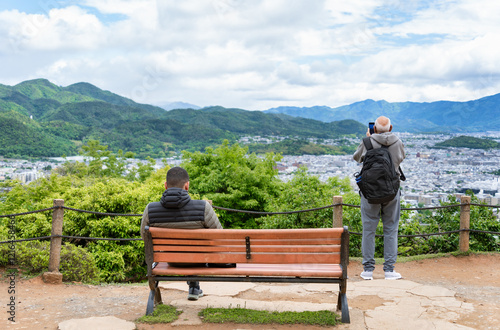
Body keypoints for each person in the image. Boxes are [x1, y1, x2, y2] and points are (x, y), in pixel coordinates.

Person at [140, 166, 223, 300]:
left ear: (166, 185)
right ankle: (194, 287)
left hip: (172, 260)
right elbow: (220, 237)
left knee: (189, 253)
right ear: (187, 185)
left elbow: (145, 237)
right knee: (195, 252)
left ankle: (193, 287)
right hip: (199, 261)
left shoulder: (150, 209)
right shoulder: (203, 208)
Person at [353, 116, 406, 280]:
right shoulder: (397, 141)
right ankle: (389, 270)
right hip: (392, 190)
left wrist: (369, 141)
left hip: (370, 192)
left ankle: (368, 270)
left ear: (374, 129)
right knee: (391, 228)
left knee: (369, 229)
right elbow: (400, 158)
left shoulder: (367, 142)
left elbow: (357, 158)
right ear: (390, 128)